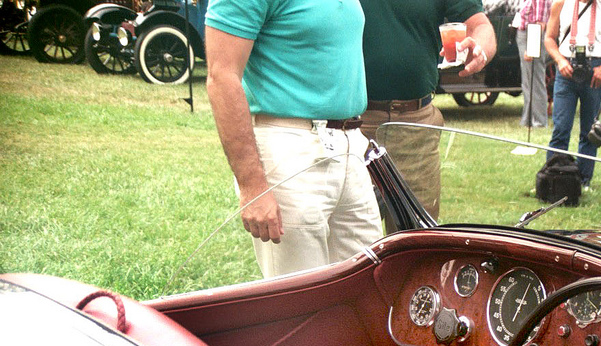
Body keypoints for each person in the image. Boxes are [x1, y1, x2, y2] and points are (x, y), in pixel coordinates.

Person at [205, 0, 382, 279]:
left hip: (350, 144)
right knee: (302, 299)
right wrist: (252, 186)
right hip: (289, 147)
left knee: (368, 286)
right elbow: (222, 77)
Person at [359, 1, 497, 221]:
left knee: (416, 240)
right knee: (356, 246)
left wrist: (479, 50)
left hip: (416, 125)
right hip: (352, 124)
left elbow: (480, 25)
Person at [544, 0, 601, 188]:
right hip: (567, 68)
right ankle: (554, 177)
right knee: (561, 128)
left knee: (589, 130)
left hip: (594, 69)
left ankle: (583, 180)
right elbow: (549, 38)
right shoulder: (560, 4)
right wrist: (560, 61)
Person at [513, 0, 553, 129]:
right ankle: (528, 119)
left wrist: (531, 48)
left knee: (535, 81)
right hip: (525, 35)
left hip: (532, 37)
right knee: (528, 82)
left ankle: (539, 121)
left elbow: (540, 24)